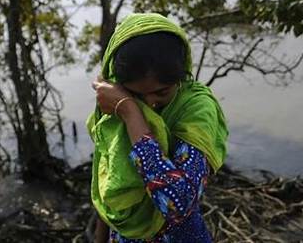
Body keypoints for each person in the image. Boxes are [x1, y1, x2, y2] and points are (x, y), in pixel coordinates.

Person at [88, 13, 228, 242]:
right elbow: (108, 177)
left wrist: (132, 113)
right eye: (137, 94)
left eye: (161, 92)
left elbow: (179, 203)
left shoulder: (196, 109)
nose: (150, 103)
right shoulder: (114, 101)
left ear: (181, 76)